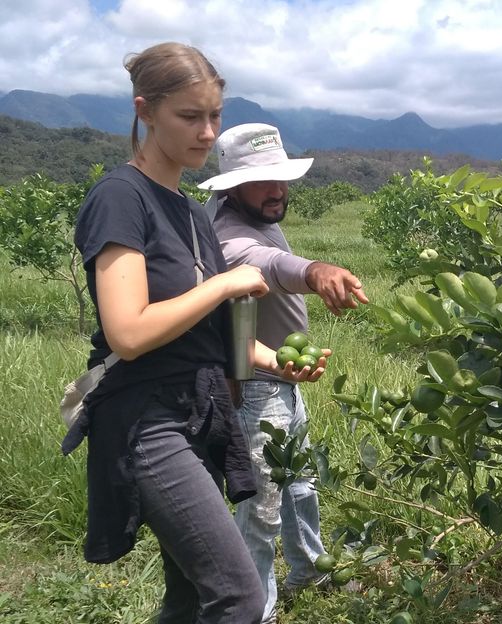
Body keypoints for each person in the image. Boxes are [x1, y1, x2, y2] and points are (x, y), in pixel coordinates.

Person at [62, 44, 329, 624]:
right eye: (190, 116)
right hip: (145, 420)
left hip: (199, 412)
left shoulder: (188, 211)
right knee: (240, 596)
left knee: (188, 598)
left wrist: (277, 363)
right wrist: (227, 283)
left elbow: (218, 337)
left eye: (214, 116)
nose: (207, 133)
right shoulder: (120, 198)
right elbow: (128, 332)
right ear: (146, 111)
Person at [199, 122, 369, 622]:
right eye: (263, 180)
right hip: (257, 391)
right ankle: (257, 610)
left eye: (282, 178)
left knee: (299, 486)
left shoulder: (258, 213)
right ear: (232, 186)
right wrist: (316, 271)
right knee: (262, 509)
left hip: (282, 380)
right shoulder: (231, 238)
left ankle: (310, 569)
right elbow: (271, 265)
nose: (277, 190)